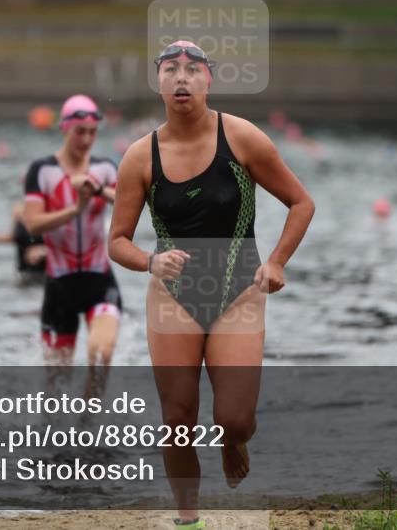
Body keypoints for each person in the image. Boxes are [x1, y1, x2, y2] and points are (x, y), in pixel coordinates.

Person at [108, 41, 315, 529]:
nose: (182, 77)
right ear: (158, 82)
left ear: (208, 80)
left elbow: (301, 203)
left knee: (234, 419)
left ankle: (233, 441)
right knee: (178, 419)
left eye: (192, 69)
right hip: (172, 297)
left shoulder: (242, 138)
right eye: (171, 69)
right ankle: (188, 519)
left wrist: (278, 263)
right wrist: (150, 261)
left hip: (239, 291)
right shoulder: (140, 156)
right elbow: (116, 241)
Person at [23, 94, 122, 367]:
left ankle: (91, 399)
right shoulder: (42, 170)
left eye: (92, 132)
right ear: (64, 128)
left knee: (101, 355)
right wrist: (76, 209)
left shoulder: (104, 169)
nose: (86, 139)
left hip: (99, 281)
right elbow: (32, 223)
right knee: (57, 383)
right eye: (80, 132)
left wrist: (98, 190)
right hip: (59, 286)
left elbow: (130, 202)